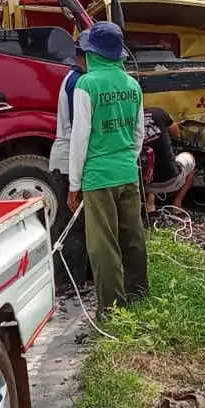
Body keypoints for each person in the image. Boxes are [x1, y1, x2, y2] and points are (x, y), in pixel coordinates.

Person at [67, 21, 148, 316]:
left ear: (93, 53)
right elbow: (139, 134)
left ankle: (113, 310)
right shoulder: (133, 85)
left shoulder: (86, 85)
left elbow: (80, 139)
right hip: (128, 173)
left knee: (104, 245)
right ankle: (139, 296)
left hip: (98, 178)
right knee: (133, 239)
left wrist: (74, 184)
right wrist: (125, 159)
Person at [48, 38, 90, 290]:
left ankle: (75, 278)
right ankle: (67, 282)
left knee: (72, 222)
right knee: (73, 225)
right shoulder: (77, 82)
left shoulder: (73, 78)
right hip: (68, 162)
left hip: (66, 159)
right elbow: (79, 130)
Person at [141, 105, 196, 214]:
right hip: (171, 181)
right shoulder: (159, 112)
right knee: (190, 159)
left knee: (148, 164)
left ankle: (150, 205)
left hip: (142, 185)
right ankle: (177, 204)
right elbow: (176, 134)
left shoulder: (131, 118)